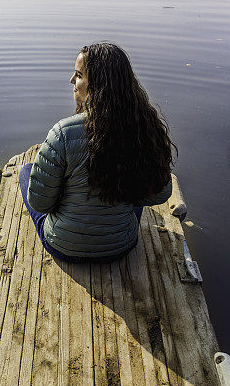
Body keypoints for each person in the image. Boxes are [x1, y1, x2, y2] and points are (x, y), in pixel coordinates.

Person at [18, 43, 177, 263]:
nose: (71, 81)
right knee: (130, 198)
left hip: (64, 247)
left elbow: (40, 204)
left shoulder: (63, 132)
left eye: (79, 75)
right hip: (121, 247)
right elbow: (159, 194)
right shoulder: (144, 128)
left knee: (26, 172)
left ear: (98, 85)